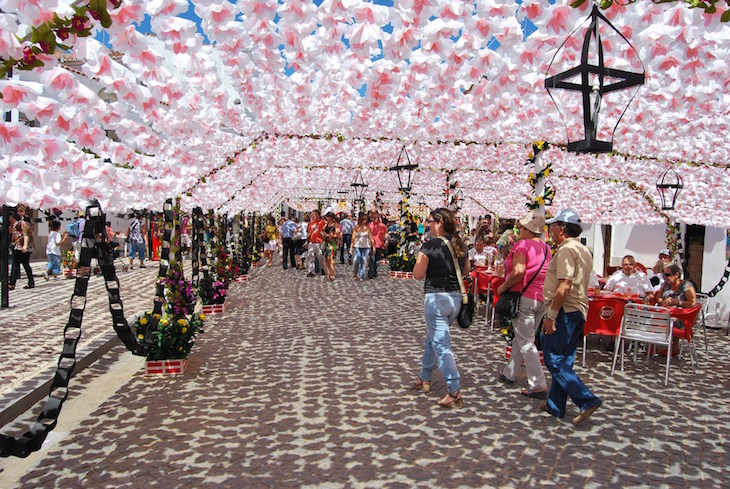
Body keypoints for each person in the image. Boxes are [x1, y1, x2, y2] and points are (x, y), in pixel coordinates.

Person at [540, 208, 602, 426]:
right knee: (564, 359)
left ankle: (586, 398)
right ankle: (555, 404)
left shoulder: (566, 250)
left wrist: (551, 315)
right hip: (578, 310)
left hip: (565, 310)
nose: (551, 231)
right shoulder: (583, 250)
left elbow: (564, 285)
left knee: (553, 357)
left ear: (562, 229)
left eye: (553, 226)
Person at [412, 208, 470, 409]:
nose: (428, 225)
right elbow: (467, 269)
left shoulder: (429, 246)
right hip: (455, 299)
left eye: (430, 221)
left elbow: (418, 274)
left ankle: (454, 391)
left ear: (439, 223)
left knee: (442, 345)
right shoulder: (459, 245)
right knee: (432, 339)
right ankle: (424, 378)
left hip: (437, 299)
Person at [496, 212, 551, 399]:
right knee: (522, 338)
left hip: (524, 297)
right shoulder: (546, 248)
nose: (519, 230)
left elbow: (519, 272)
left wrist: (503, 287)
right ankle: (509, 373)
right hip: (541, 298)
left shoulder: (523, 245)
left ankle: (538, 384)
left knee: (526, 342)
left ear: (527, 230)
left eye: (521, 227)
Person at [9, 204, 35, 290]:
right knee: (26, 264)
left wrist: (24, 246)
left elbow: (26, 234)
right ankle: (31, 282)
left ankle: (12, 283)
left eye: (20, 211)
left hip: (21, 245)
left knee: (15, 264)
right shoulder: (30, 221)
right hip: (28, 246)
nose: (18, 213)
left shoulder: (24, 222)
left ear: (23, 212)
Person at [350, 212, 375, 282]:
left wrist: (373, 247)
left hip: (366, 246)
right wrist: (351, 248)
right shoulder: (356, 228)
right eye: (364, 219)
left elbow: (371, 238)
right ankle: (355, 272)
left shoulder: (368, 228)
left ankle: (362, 275)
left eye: (366, 219)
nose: (365, 220)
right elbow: (353, 238)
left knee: (364, 260)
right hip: (357, 246)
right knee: (357, 259)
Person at [368, 212, 388, 279]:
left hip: (380, 245)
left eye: (377, 218)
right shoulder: (370, 226)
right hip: (371, 245)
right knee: (372, 259)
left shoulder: (382, 226)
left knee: (377, 261)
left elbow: (386, 233)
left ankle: (374, 271)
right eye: (374, 218)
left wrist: (387, 240)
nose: (376, 219)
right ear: (372, 218)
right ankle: (371, 273)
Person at [321, 212, 341, 280]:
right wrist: (323, 234)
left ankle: (333, 274)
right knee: (326, 258)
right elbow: (322, 231)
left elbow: (338, 235)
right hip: (325, 243)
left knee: (331, 258)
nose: (327, 218)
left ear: (331, 218)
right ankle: (328, 273)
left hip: (332, 243)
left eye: (328, 217)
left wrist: (330, 235)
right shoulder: (326, 224)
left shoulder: (336, 225)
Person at [306, 209, 325, 277]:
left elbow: (324, 231)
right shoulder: (311, 223)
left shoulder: (322, 222)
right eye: (313, 214)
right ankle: (311, 271)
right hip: (311, 241)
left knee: (320, 256)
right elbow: (308, 231)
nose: (314, 216)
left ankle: (322, 268)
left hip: (318, 242)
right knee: (311, 256)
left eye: (315, 214)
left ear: (319, 215)